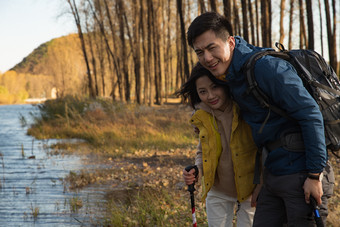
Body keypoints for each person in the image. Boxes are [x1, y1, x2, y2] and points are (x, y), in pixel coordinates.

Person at [186, 11, 334, 226]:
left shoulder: (265, 68)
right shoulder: (232, 76)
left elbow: (310, 114)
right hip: (273, 175)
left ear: (229, 42)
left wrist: (313, 175)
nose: (207, 58)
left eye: (211, 48)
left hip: (302, 173)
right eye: (200, 52)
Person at [177, 63, 260, 227]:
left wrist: (261, 185)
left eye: (215, 87)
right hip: (218, 190)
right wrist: (198, 170)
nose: (210, 96)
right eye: (202, 92)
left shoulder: (245, 110)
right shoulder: (203, 115)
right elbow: (203, 151)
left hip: (250, 189)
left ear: (224, 84)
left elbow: (264, 149)